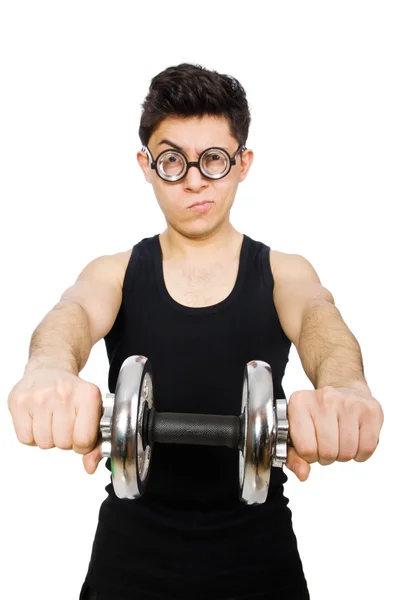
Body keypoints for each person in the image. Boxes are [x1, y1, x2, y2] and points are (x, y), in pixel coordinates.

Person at [7, 63, 384, 600]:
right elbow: (71, 315)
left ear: (242, 163)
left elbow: (322, 320)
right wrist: (46, 370)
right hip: (130, 557)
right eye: (172, 160)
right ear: (146, 165)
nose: (193, 179)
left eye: (212, 159)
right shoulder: (113, 272)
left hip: (259, 556)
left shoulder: (285, 272)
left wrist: (346, 388)